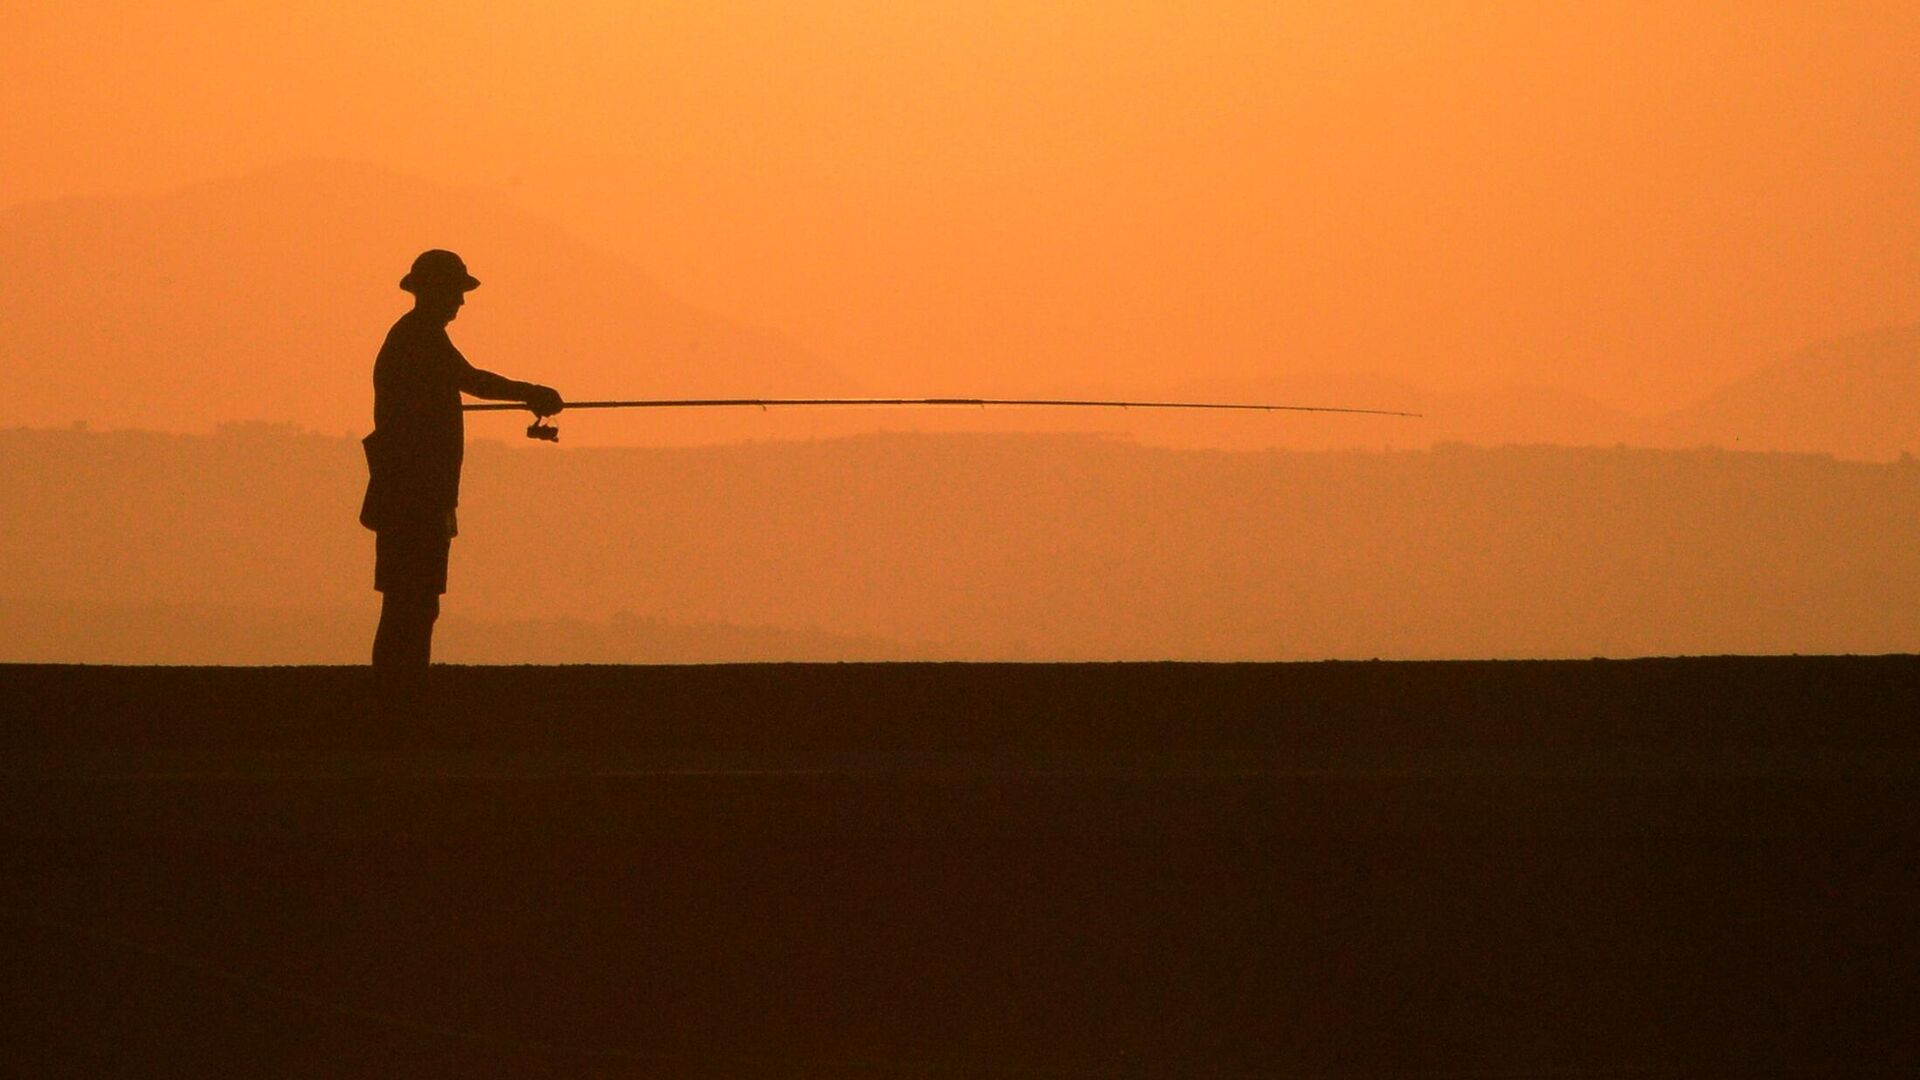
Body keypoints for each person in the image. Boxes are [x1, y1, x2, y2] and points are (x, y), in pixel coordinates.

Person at [360, 249, 562, 692]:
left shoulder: (415, 337)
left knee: (410, 601)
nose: (460, 302)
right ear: (435, 292)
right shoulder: (419, 339)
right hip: (414, 496)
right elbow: (473, 381)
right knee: (412, 602)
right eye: (455, 292)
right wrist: (531, 393)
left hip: (412, 494)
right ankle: (399, 697)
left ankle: (397, 694)